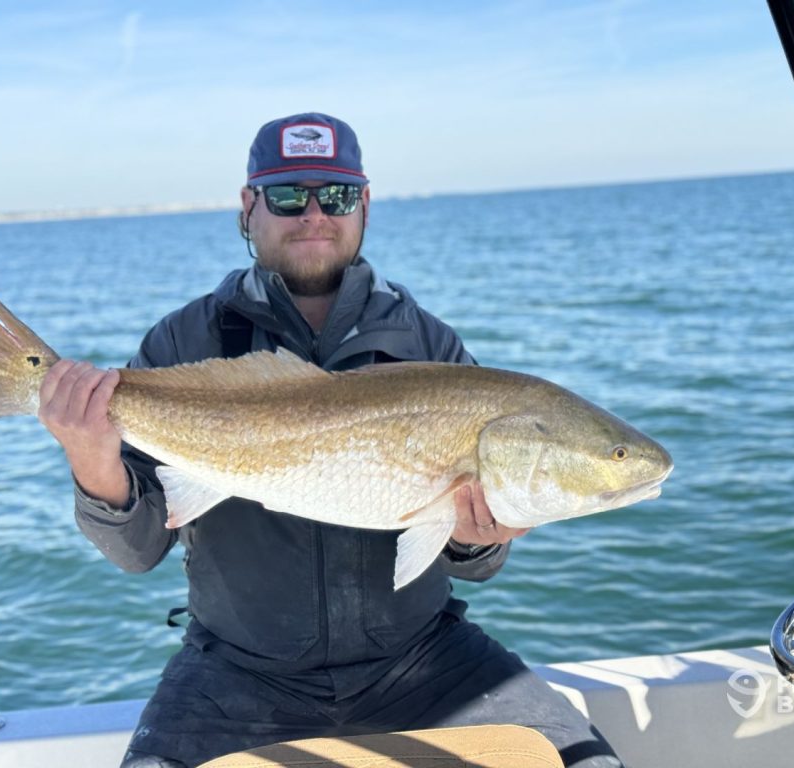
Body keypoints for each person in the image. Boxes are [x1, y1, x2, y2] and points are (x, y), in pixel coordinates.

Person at [38, 112, 624, 768]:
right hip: (236, 672)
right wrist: (90, 455)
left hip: (424, 660)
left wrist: (477, 537)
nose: (313, 213)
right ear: (248, 207)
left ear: (364, 205)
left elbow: (473, 561)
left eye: (336, 194)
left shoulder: (429, 345)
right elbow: (139, 548)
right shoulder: (182, 344)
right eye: (289, 194)